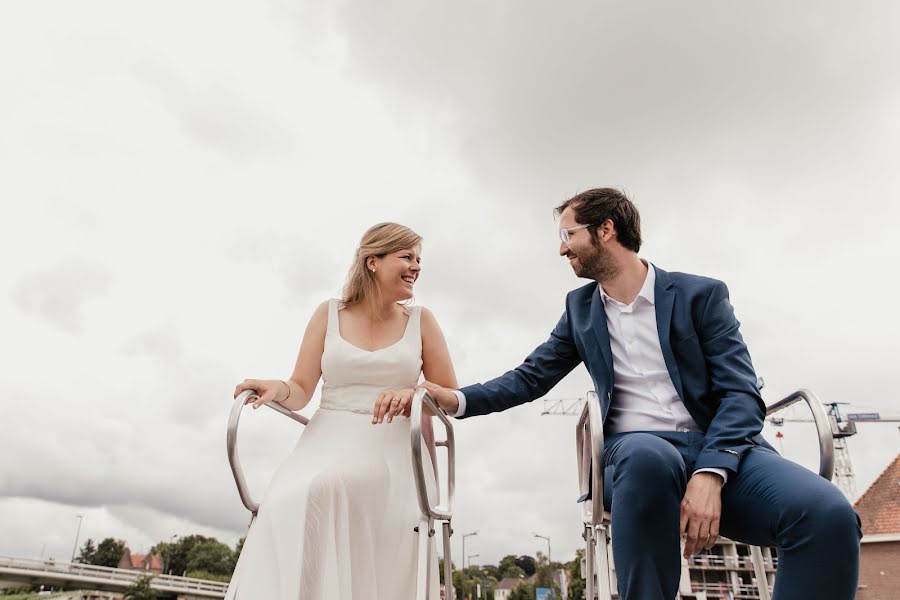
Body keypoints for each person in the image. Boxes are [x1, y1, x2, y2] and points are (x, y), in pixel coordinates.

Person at [422, 188, 861, 600]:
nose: (561, 248)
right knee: (649, 456)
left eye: (568, 234)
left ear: (606, 230)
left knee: (828, 515)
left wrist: (711, 473)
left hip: (725, 452)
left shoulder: (700, 296)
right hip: (636, 459)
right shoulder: (580, 311)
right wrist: (456, 399)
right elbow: (530, 377)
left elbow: (743, 395)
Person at [226, 222, 458, 600]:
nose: (416, 267)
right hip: (324, 437)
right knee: (285, 498)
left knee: (327, 486)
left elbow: (449, 394)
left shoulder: (422, 321)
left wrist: (412, 393)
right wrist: (276, 388)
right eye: (407, 257)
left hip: (391, 443)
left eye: (419, 259)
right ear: (373, 261)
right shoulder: (328, 313)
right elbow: (301, 389)